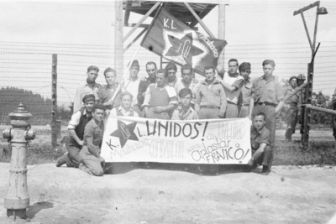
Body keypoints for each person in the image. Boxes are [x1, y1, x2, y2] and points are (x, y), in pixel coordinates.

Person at [56, 94, 95, 167]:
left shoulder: (95, 114)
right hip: (74, 144)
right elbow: (70, 129)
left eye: (91, 103)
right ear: (84, 104)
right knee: (82, 162)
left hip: (86, 145)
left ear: (94, 104)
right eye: (87, 104)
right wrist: (79, 141)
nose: (89, 105)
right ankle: (67, 158)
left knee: (92, 161)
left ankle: (72, 157)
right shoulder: (78, 114)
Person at [252, 59, 284, 146]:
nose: (267, 70)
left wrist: (274, 111)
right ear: (263, 68)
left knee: (270, 133)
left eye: (269, 68)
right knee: (256, 133)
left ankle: (268, 158)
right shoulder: (257, 81)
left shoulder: (276, 83)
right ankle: (257, 156)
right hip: (258, 108)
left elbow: (281, 101)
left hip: (270, 108)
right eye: (265, 68)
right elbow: (252, 97)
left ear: (273, 69)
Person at [79, 104, 106, 176]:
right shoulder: (90, 126)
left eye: (102, 114)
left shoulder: (101, 123)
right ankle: (82, 165)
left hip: (96, 151)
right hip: (88, 152)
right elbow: (90, 145)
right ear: (93, 114)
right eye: (98, 113)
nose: (100, 116)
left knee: (109, 167)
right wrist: (99, 157)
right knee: (99, 172)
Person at [284, 76, 300, 141]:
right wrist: (285, 105)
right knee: (289, 123)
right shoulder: (286, 89)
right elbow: (281, 98)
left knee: (293, 124)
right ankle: (287, 138)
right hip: (288, 107)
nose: (294, 82)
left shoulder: (298, 89)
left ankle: (289, 136)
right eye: (292, 81)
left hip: (295, 107)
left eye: (295, 81)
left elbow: (299, 100)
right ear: (290, 82)